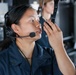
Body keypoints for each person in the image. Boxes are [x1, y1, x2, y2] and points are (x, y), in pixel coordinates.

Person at [0, 5, 75, 75]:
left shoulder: (50, 55)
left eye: (38, 20)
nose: (38, 24)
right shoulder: (2, 61)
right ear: (16, 28)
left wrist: (59, 46)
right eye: (32, 20)